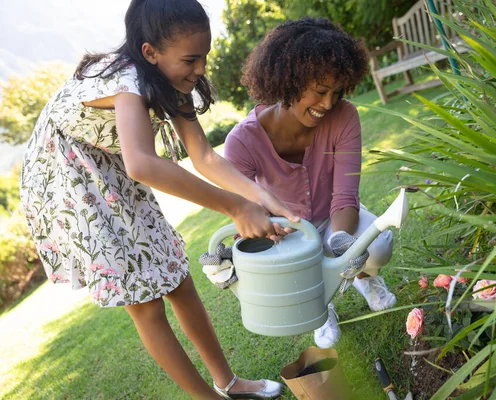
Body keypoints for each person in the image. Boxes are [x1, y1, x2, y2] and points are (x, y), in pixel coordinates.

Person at [19, 0, 296, 398]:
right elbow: (143, 164)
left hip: (111, 163)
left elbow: (203, 156)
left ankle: (229, 384)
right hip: (67, 177)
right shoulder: (127, 79)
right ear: (150, 52)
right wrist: (235, 207)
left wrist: (263, 198)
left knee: (177, 277)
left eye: (204, 56)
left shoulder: (173, 79)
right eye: (190, 59)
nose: (200, 68)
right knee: (146, 303)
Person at [223, 17, 398, 349]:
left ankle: (365, 278)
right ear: (289, 82)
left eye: (337, 92)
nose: (328, 104)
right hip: (287, 233)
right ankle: (322, 305)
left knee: (377, 246)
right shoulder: (241, 142)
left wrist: (345, 247)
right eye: (320, 91)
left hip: (334, 219)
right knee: (301, 268)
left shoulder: (344, 116)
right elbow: (246, 216)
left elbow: (345, 194)